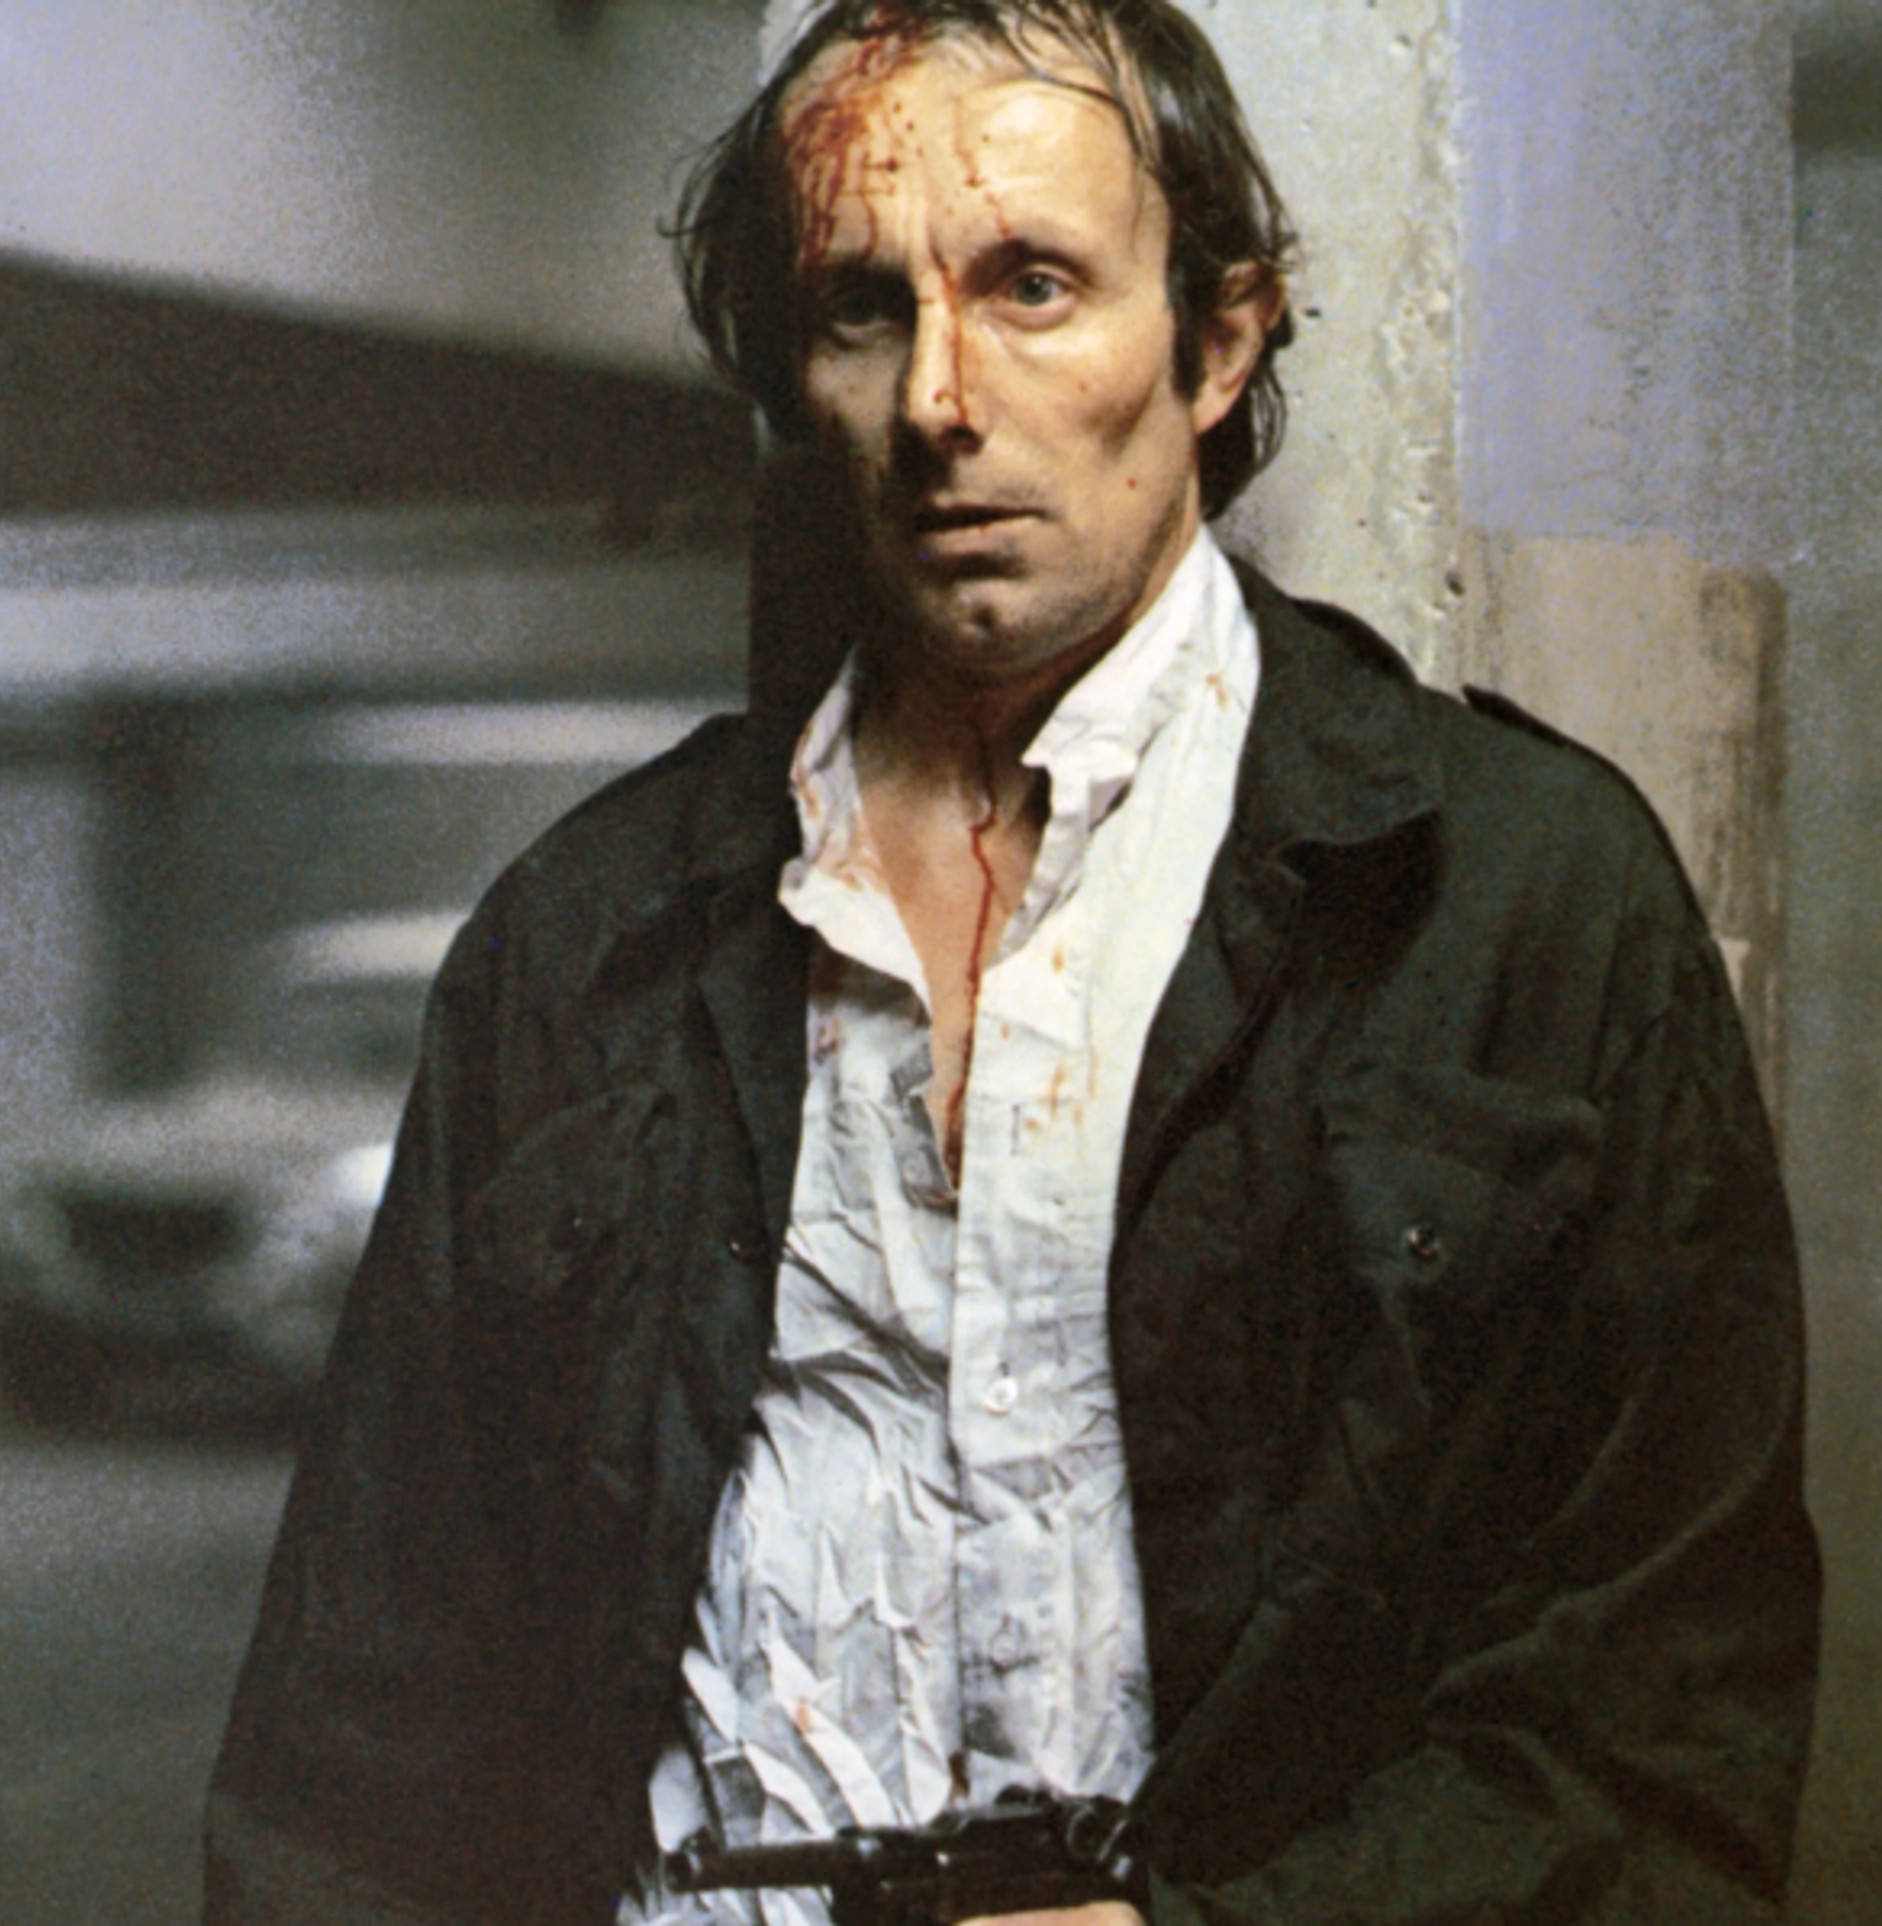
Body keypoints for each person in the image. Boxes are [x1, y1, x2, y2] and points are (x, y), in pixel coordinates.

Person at [205, 4, 1820, 1923]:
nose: (941, 400)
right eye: (861, 308)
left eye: (1033, 286)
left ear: (1219, 340)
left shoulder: (1519, 897)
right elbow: (352, 1765)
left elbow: (1661, 1735)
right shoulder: (582, 941)